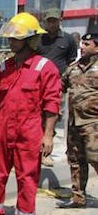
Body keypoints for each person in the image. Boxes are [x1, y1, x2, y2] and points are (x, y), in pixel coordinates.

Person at [0, 12, 61, 215]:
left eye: (15, 39)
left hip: (29, 131)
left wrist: (48, 135)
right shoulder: (5, 67)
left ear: (30, 39)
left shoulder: (45, 67)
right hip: (3, 128)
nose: (10, 42)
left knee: (27, 177)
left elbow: (52, 104)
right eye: (10, 39)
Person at [57, 31, 98, 209]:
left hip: (94, 124)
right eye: (81, 44)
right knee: (75, 160)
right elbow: (61, 87)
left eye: (86, 45)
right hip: (74, 123)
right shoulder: (73, 67)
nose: (82, 47)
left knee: (96, 159)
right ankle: (78, 197)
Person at [37, 8, 78, 167]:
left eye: (54, 20)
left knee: (52, 117)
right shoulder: (39, 39)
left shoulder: (68, 40)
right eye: (49, 21)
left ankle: (46, 152)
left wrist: (64, 81)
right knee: (35, 116)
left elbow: (71, 62)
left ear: (60, 21)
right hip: (38, 83)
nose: (51, 24)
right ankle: (35, 151)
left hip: (56, 85)